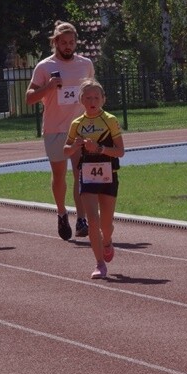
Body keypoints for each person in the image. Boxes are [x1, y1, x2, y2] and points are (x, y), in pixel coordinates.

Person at [25, 21, 95, 241]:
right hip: (55, 129)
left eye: (71, 42)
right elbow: (29, 98)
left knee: (81, 173)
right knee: (59, 176)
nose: (67, 46)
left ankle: (81, 219)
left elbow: (93, 92)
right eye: (63, 42)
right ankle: (62, 213)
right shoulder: (44, 67)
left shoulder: (85, 64)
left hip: (81, 128)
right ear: (55, 42)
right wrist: (49, 87)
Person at [64, 79, 125, 279]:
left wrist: (99, 149)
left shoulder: (110, 120)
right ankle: (99, 263)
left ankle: (107, 240)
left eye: (96, 97)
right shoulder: (77, 124)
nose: (92, 101)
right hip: (87, 176)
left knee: (105, 225)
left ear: (103, 99)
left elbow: (120, 151)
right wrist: (75, 146)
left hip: (109, 175)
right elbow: (66, 149)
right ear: (81, 99)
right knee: (92, 220)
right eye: (88, 97)